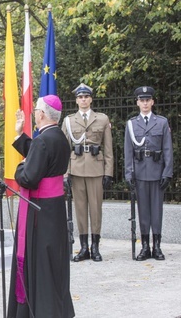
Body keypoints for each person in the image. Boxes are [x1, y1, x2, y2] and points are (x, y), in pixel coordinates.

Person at [8, 95, 75, 318]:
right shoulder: (59, 137)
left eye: (36, 109)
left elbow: (28, 177)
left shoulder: (43, 140)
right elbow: (41, 157)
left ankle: (39, 308)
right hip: (54, 207)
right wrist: (20, 135)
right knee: (52, 259)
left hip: (39, 211)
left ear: (42, 114)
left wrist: (19, 167)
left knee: (39, 261)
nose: (34, 112)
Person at [61, 83, 114, 262]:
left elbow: (108, 149)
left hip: (96, 169)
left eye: (86, 97)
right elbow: (64, 150)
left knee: (96, 209)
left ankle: (95, 247)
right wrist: (65, 174)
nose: (83, 100)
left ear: (91, 99)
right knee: (81, 209)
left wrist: (108, 173)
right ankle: (83, 248)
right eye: (80, 97)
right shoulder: (68, 121)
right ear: (76, 100)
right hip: (76, 169)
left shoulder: (102, 119)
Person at [124, 86, 173, 261]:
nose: (145, 103)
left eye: (147, 100)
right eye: (141, 100)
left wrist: (167, 173)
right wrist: (129, 174)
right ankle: (145, 246)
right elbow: (128, 151)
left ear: (152, 102)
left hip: (157, 172)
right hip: (139, 173)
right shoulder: (131, 124)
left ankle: (157, 246)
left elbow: (167, 149)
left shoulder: (161, 122)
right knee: (143, 210)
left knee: (156, 211)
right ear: (137, 102)